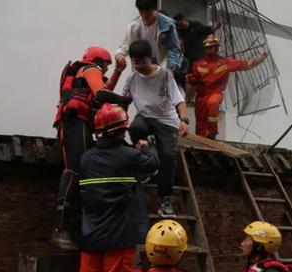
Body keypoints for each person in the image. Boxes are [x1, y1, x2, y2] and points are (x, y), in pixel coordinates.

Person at [72, 104, 159, 272]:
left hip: (90, 239)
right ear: (123, 128)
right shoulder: (130, 156)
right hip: (118, 240)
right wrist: (146, 146)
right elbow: (152, 164)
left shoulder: (87, 158)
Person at [52, 46, 131, 250]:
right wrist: (125, 101)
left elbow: (101, 92)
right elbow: (102, 94)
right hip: (75, 122)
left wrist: (118, 72)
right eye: (107, 66)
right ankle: (61, 229)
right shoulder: (90, 69)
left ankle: (72, 229)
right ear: (100, 61)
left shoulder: (83, 72)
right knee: (75, 170)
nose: (106, 70)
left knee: (80, 171)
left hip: (77, 122)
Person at [124, 40, 189, 217]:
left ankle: (166, 200)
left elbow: (179, 100)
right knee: (135, 128)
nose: (138, 65)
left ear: (149, 59)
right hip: (145, 118)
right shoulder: (132, 78)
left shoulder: (164, 76)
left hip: (166, 121)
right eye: (134, 61)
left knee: (168, 157)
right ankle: (147, 153)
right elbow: (124, 101)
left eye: (141, 61)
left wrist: (184, 120)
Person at [187, 35, 269, 139]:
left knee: (212, 103)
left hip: (215, 93)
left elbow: (245, 64)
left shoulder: (225, 63)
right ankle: (200, 140)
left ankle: (212, 133)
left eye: (211, 47)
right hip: (201, 96)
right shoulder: (198, 64)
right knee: (200, 119)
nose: (208, 49)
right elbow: (193, 79)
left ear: (216, 47)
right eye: (207, 47)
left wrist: (259, 59)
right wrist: (191, 80)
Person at [115, 0, 183, 73]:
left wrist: (171, 68)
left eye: (147, 12)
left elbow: (173, 48)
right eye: (140, 11)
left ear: (155, 9)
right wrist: (120, 55)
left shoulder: (167, 25)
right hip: (141, 66)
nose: (144, 15)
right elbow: (126, 44)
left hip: (162, 66)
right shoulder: (133, 26)